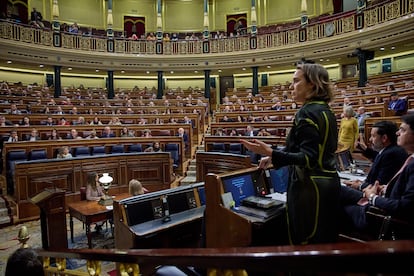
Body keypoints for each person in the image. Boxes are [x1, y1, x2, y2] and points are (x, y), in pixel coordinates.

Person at [241, 63, 340, 245]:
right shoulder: (326, 111)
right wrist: (274, 157)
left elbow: (308, 158)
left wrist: (270, 151)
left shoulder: (306, 113)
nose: (291, 86)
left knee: (303, 245)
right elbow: (309, 150)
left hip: (309, 190)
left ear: (312, 84)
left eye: (296, 81)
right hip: (329, 184)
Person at [340, 113, 414, 236]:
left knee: (335, 201)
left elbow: (406, 207)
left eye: (403, 130)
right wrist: (384, 189)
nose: (397, 133)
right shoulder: (408, 157)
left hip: (383, 219)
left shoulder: (402, 159)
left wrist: (372, 197)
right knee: (339, 193)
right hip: (382, 204)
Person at [343, 121, 408, 191]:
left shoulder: (391, 154)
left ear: (384, 138)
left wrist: (360, 185)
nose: (370, 139)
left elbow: (379, 184)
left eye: (373, 136)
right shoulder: (390, 150)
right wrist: (365, 149)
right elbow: (378, 156)